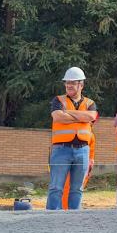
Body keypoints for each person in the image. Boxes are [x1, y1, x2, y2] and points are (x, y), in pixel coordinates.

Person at [47, 67, 98, 211]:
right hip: (61, 150)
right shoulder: (58, 100)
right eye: (67, 82)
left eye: (72, 83)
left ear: (81, 85)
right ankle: (50, 218)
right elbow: (57, 117)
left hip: (82, 151)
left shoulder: (90, 103)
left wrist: (68, 113)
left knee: (77, 189)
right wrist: (81, 116)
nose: (68, 85)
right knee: (56, 187)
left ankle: (73, 219)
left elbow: (91, 116)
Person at [61, 133, 94, 210]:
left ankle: (73, 208)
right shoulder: (88, 134)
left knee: (77, 189)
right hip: (73, 164)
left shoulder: (89, 135)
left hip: (82, 164)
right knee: (71, 188)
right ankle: (66, 208)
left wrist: (89, 168)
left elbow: (91, 154)